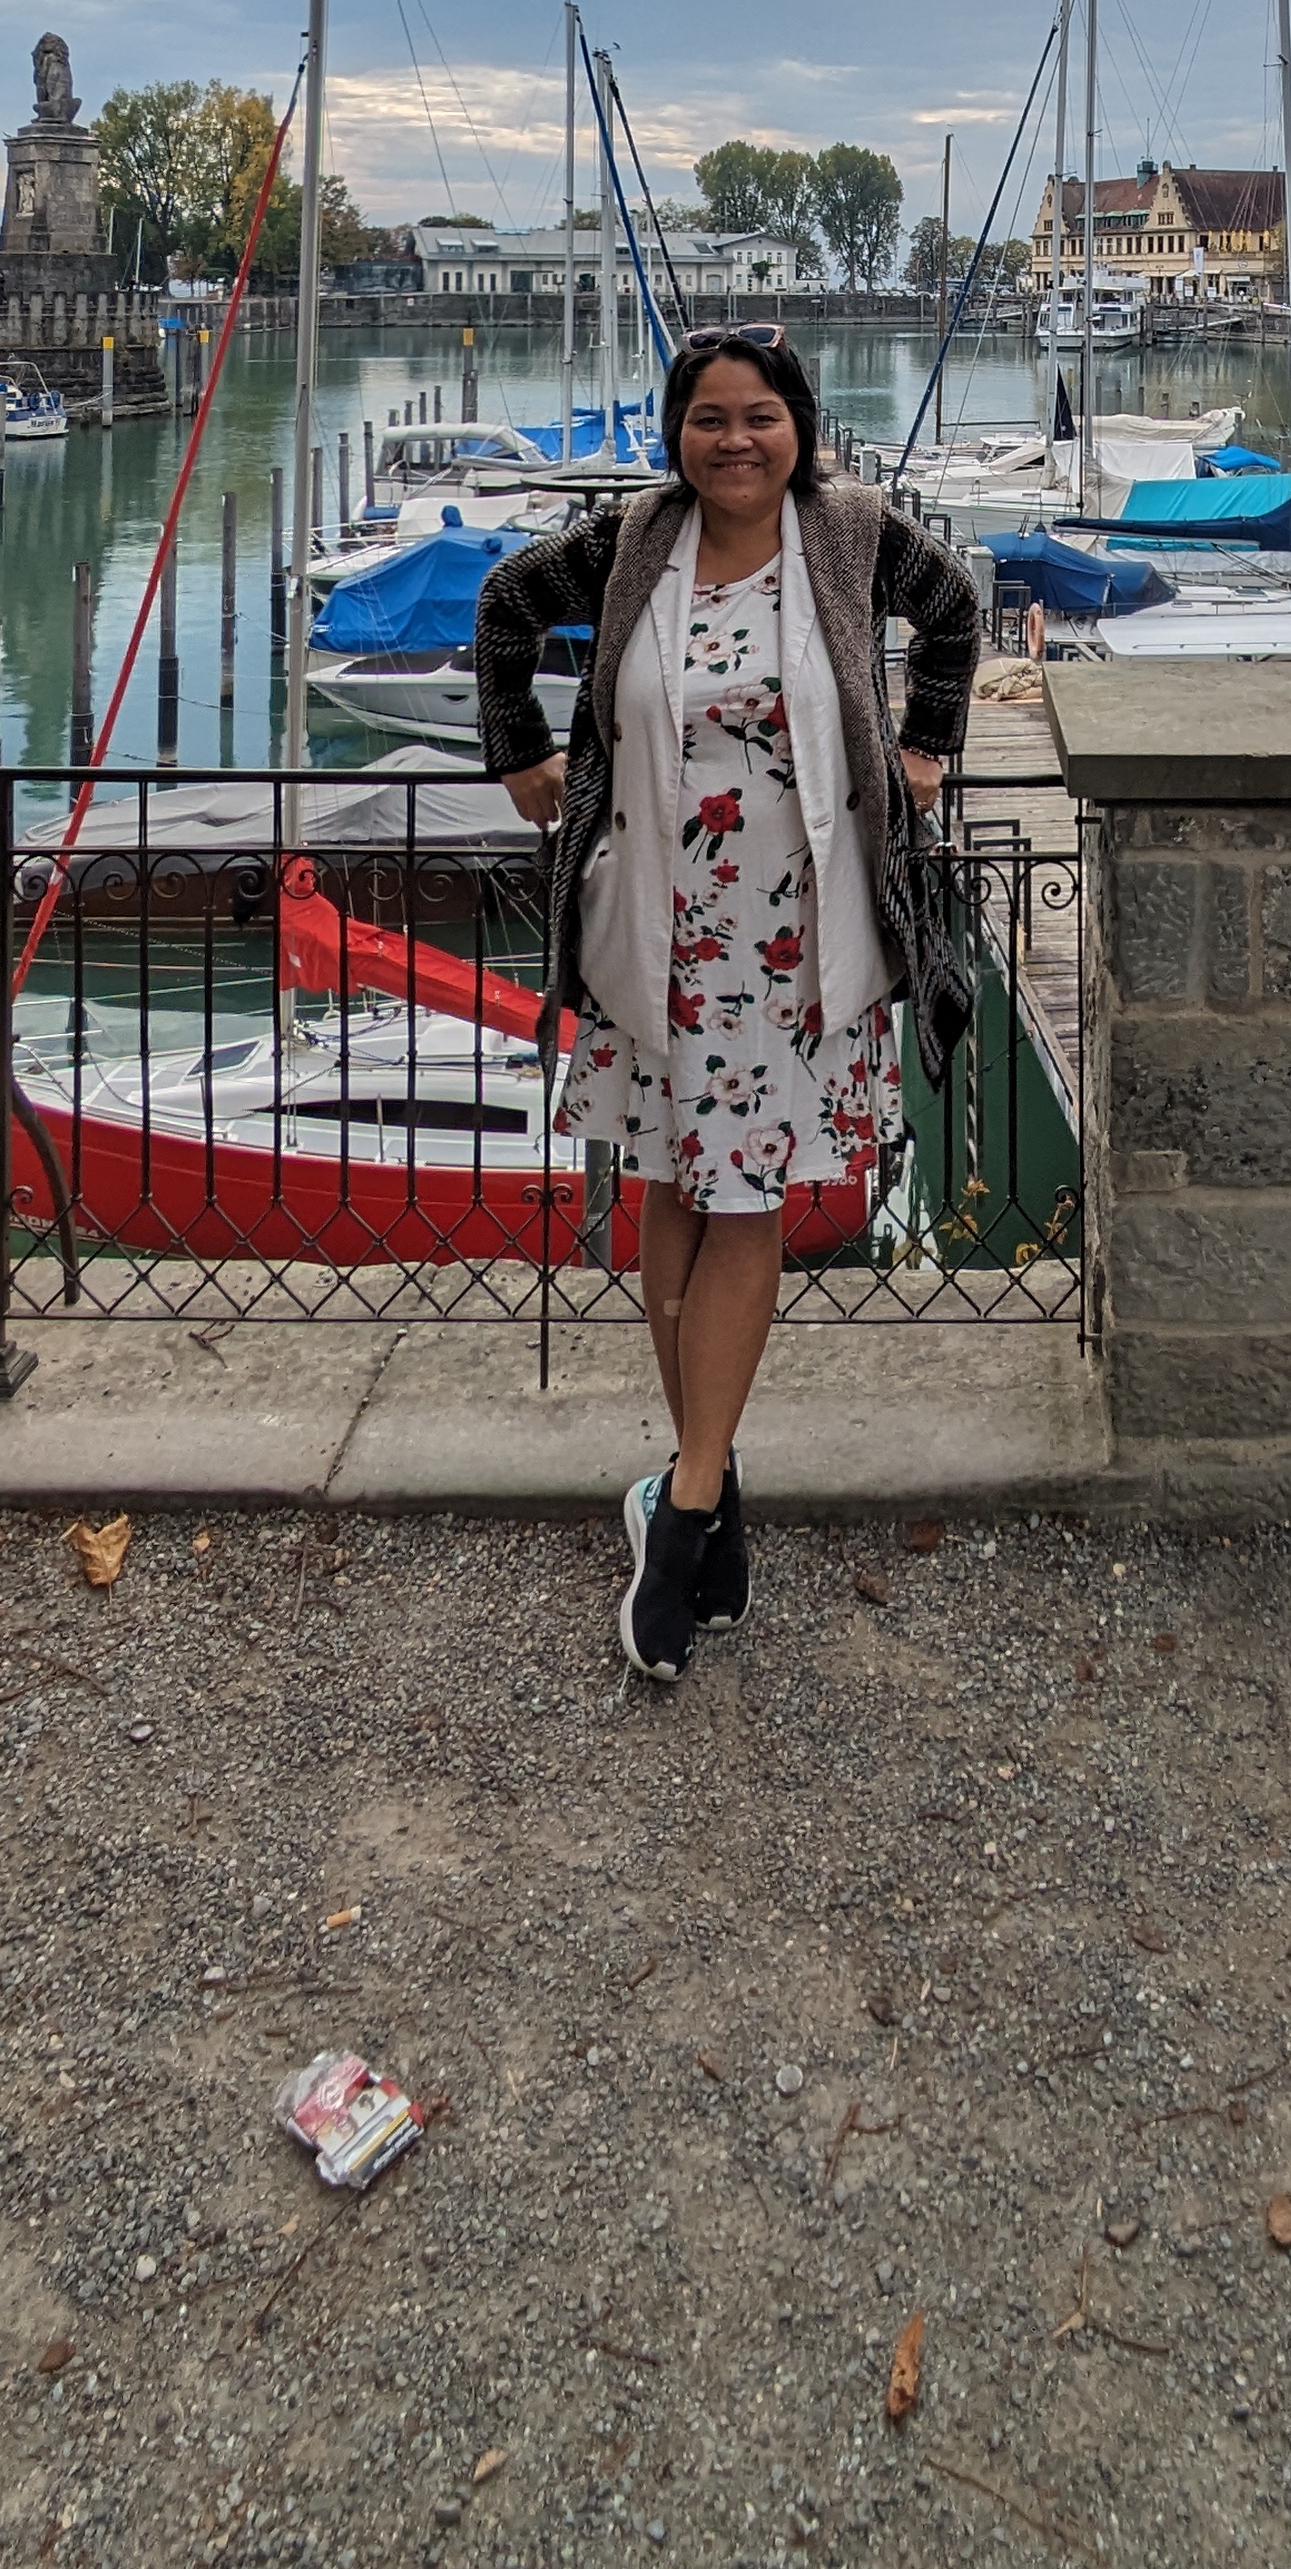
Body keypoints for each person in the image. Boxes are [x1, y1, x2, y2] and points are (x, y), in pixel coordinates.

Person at [474, 327, 981, 1681]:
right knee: (673, 1189)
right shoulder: (637, 537)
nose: (735, 440)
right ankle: (710, 1481)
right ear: (676, 434)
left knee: (745, 1196)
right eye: (708, 418)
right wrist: (516, 750)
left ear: (799, 428)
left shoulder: (855, 531)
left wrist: (931, 747)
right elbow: (504, 611)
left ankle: (685, 1513)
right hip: (656, 924)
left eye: (760, 415)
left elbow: (956, 615)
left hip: (801, 934)